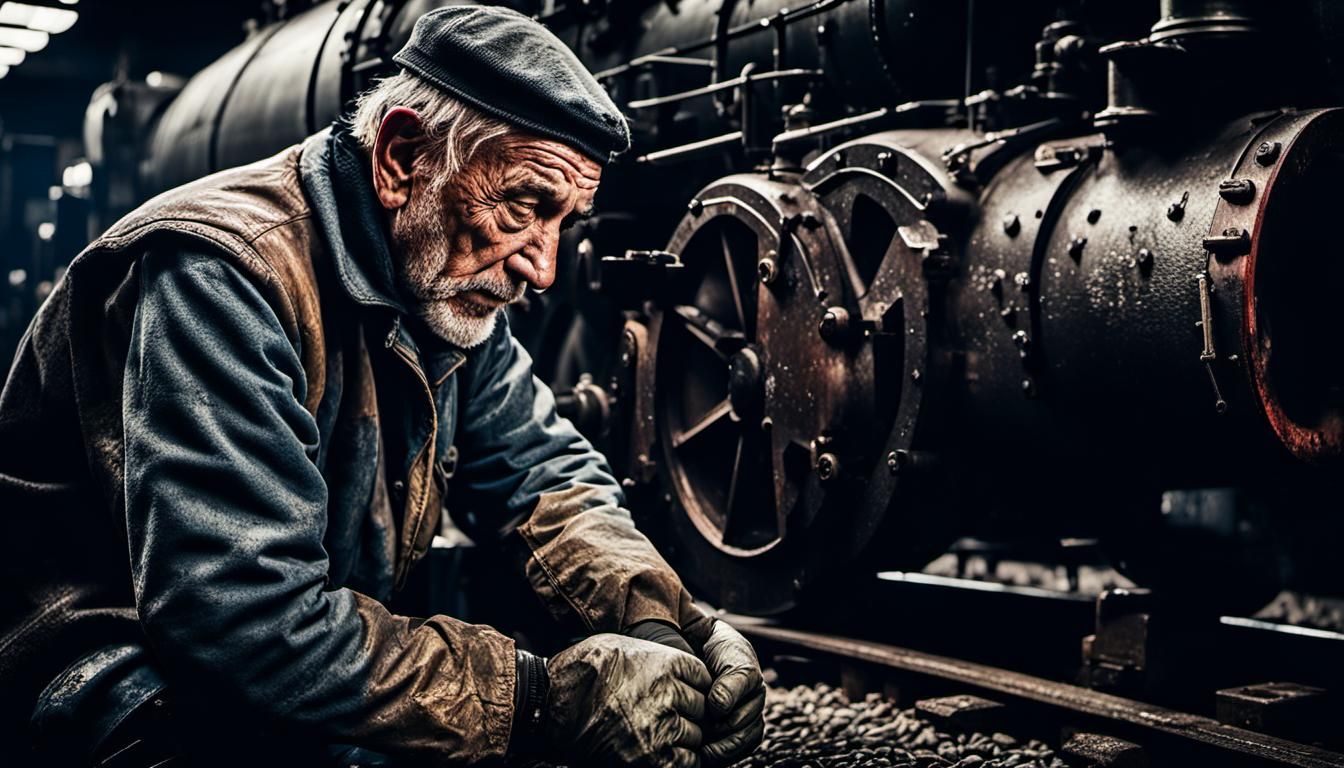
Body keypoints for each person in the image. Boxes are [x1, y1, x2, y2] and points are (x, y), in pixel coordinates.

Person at [0, 6, 765, 765]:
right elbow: (242, 613)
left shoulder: (439, 273)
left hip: (270, 663)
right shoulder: (226, 276)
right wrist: (538, 700)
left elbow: (543, 474)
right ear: (402, 157)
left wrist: (665, 627)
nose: (542, 266)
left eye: (562, 220)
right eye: (524, 206)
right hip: (106, 685)